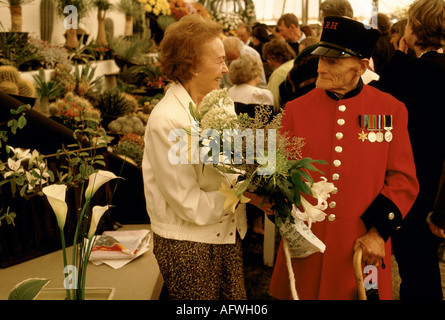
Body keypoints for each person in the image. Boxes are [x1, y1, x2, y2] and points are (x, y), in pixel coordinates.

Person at [269, 16, 419, 300]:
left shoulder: (390, 109)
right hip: (307, 248)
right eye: (321, 59)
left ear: (361, 67)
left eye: (333, 62)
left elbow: (403, 180)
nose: (321, 68)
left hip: (363, 247)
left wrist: (378, 233)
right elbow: (278, 172)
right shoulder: (295, 109)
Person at [142, 14, 248, 300]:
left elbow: (234, 163)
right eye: (219, 61)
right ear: (190, 66)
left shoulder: (221, 102)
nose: (226, 69)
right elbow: (188, 204)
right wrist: (245, 194)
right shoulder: (169, 120)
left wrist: (264, 172)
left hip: (226, 235)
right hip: (190, 246)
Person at [371, 0, 445, 300]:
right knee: (423, 268)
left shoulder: (416, 73)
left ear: (414, 28)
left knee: (416, 270)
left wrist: (400, 57)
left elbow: (378, 109)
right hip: (436, 188)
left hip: (416, 185)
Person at [261, 38, 296, 111]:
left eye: (270, 59)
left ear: (276, 57)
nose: (270, 64)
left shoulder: (279, 73)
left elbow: (273, 103)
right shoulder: (294, 63)